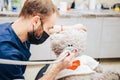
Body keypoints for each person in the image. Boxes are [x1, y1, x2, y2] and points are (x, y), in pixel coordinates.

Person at [0, 0, 87, 80]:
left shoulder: (14, 28)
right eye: (49, 28)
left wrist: (71, 28)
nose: (49, 32)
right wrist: (57, 68)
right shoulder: (7, 54)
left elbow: (50, 28)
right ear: (36, 21)